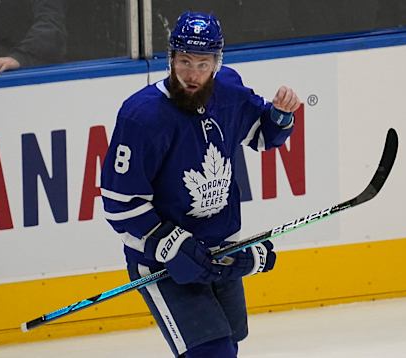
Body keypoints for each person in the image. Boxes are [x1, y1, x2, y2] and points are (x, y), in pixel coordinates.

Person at [101, 11, 301, 358]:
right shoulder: (142, 115)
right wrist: (172, 246)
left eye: (203, 64)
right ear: (171, 59)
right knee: (213, 351)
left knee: (230, 341)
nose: (192, 75)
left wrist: (281, 116)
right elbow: (120, 203)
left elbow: (262, 135)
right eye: (185, 62)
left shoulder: (229, 91)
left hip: (219, 248)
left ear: (217, 63)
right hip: (162, 259)